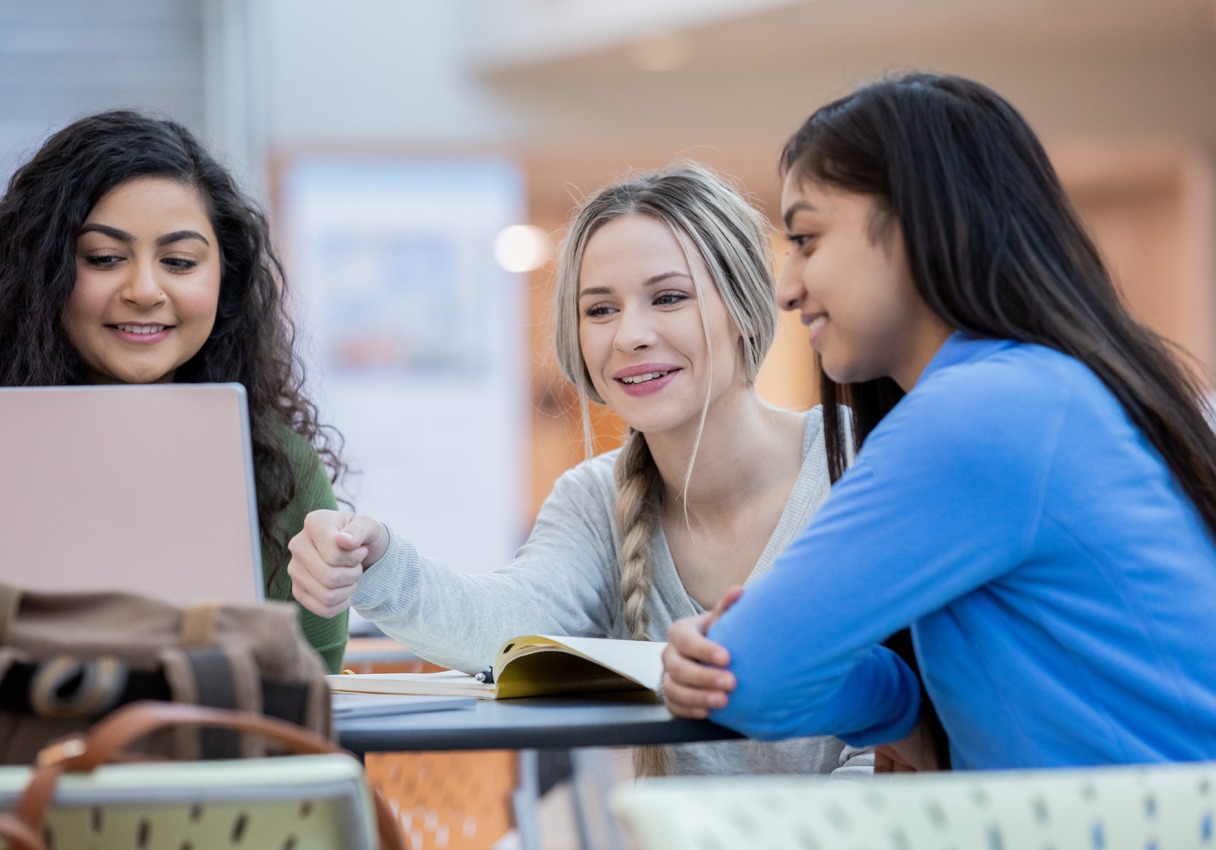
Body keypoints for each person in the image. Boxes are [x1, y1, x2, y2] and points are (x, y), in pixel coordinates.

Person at [661, 72, 1216, 771]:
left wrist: (727, 653)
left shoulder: (979, 414)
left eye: (806, 238)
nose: (787, 285)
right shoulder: (1041, 390)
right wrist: (894, 701)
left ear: (922, 223)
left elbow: (747, 676)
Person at [288, 162, 870, 776]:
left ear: (747, 310)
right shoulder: (595, 498)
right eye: (600, 310)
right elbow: (504, 630)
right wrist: (374, 560)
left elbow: (893, 746)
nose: (630, 335)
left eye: (668, 297)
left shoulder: (856, 469)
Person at [0, 110, 350, 672]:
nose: (143, 290)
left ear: (224, 277)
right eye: (105, 259)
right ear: (42, 271)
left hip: (215, 756)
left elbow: (312, 685)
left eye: (179, 262)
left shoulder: (279, 466)